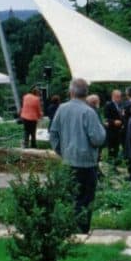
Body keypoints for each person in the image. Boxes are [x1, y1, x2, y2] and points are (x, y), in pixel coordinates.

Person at [49, 78, 106, 234]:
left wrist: (61, 151)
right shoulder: (89, 112)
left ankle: (69, 230)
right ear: (86, 93)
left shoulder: (61, 109)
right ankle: (81, 232)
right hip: (86, 163)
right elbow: (98, 138)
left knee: (70, 198)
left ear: (71, 92)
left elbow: (53, 134)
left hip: (68, 161)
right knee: (85, 200)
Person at [103, 89, 125, 160]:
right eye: (117, 96)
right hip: (111, 131)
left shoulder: (120, 105)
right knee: (111, 150)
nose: (119, 98)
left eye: (120, 96)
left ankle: (114, 164)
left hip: (118, 131)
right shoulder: (108, 105)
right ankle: (111, 165)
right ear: (113, 96)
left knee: (116, 149)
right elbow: (106, 118)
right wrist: (114, 122)